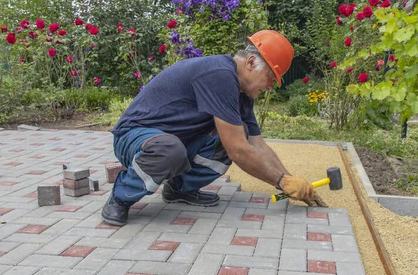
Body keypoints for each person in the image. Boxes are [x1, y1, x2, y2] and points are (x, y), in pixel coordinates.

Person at [102, 29, 327, 226]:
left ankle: (179, 189)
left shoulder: (242, 94)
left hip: (171, 142)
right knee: (172, 149)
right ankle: (120, 197)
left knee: (239, 135)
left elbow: (256, 144)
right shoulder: (219, 75)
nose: (270, 86)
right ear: (250, 62)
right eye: (270, 77)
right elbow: (237, 150)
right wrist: (282, 181)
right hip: (134, 137)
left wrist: (290, 181)